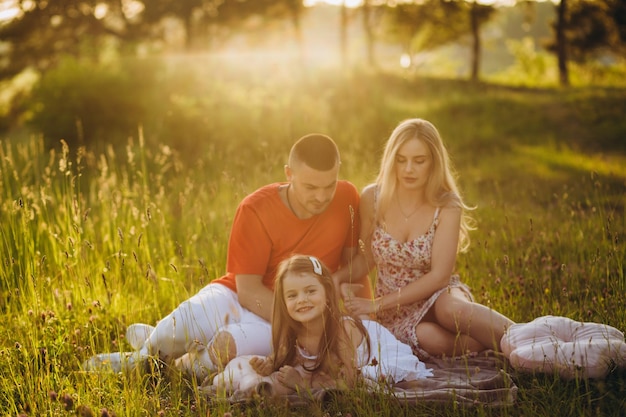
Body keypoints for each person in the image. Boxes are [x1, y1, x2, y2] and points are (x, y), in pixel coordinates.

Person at [83, 133, 372, 380]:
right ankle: (144, 355)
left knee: (223, 349)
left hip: (296, 311)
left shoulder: (346, 196)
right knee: (190, 319)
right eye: (310, 187)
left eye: (328, 186)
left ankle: (172, 365)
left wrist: (329, 289)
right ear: (289, 174)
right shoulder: (255, 209)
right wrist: (293, 315)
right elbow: (247, 291)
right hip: (242, 295)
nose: (321, 197)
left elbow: (353, 262)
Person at [343, 118, 515, 359]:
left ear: (434, 162)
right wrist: (336, 279)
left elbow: (440, 276)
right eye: (401, 160)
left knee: (450, 311)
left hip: (440, 295)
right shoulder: (373, 198)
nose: (408, 169)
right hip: (395, 309)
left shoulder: (446, 204)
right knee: (427, 337)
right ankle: (486, 344)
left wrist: (376, 304)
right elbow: (367, 259)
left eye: (419, 161)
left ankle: (530, 342)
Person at [210, 255, 432, 398]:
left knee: (367, 382)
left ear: (327, 292)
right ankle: (255, 388)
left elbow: (348, 382)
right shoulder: (292, 332)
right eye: (292, 295)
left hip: (368, 356)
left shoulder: (343, 329)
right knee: (283, 377)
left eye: (310, 291)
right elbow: (282, 359)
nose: (302, 300)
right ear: (284, 302)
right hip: (327, 368)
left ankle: (270, 388)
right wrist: (268, 365)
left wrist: (303, 385)